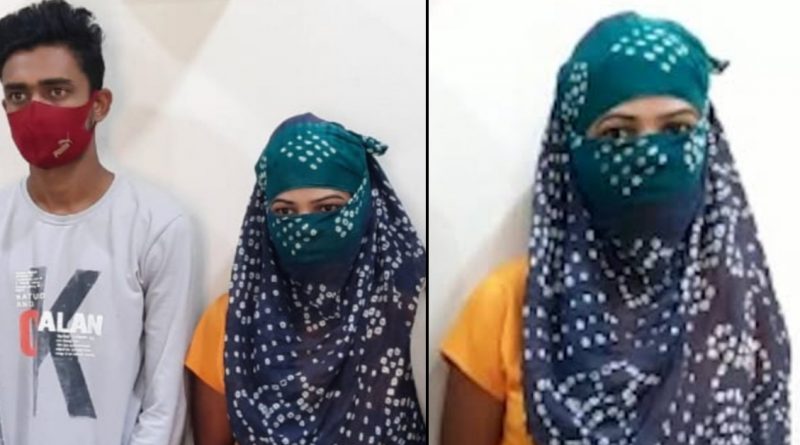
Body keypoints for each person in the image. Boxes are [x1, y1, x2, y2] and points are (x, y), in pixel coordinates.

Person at [440, 11, 790, 445]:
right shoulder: (508, 306)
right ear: (570, 150)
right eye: (617, 134)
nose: (651, 155)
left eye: (677, 129)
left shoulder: (737, 308)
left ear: (708, 143)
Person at [0, 1, 194, 444]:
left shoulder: (157, 225)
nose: (34, 110)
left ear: (99, 104)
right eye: (18, 95)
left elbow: (164, 402)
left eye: (56, 91)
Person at [185, 113, 427, 445]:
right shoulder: (231, 323)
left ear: (365, 206)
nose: (306, 229)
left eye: (327, 209)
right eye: (285, 212)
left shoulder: (407, 312)